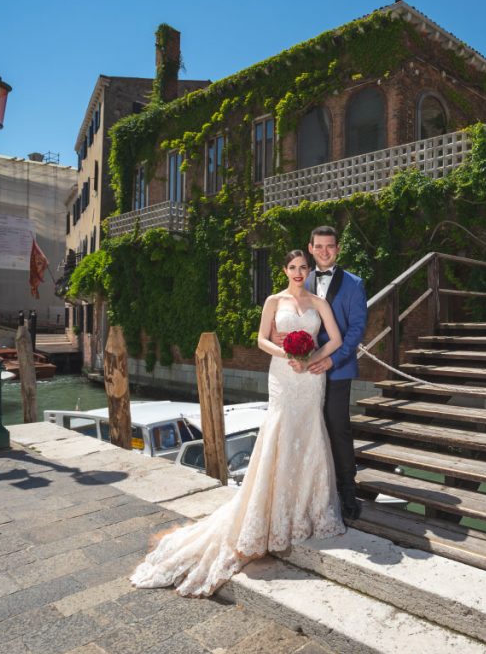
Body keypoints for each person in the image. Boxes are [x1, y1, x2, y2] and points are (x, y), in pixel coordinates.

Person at [130, 250, 346, 597]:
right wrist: (289, 354)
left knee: (309, 436)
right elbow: (261, 339)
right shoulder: (273, 301)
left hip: (310, 379)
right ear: (284, 270)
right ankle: (272, 511)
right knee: (280, 432)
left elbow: (335, 339)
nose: (298, 272)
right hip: (283, 375)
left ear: (309, 271)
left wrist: (311, 359)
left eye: (303, 267)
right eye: (292, 267)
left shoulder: (319, 303)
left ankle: (306, 509)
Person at [273, 226, 368, 520]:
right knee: (308, 429)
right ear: (310, 248)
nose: (324, 251)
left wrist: (332, 360)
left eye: (330, 246)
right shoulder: (301, 277)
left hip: (337, 368)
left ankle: (348, 492)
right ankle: (312, 492)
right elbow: (284, 314)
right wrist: (279, 336)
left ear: (337, 248)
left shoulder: (354, 284)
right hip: (302, 373)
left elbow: (357, 329)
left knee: (337, 427)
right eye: (319, 246)